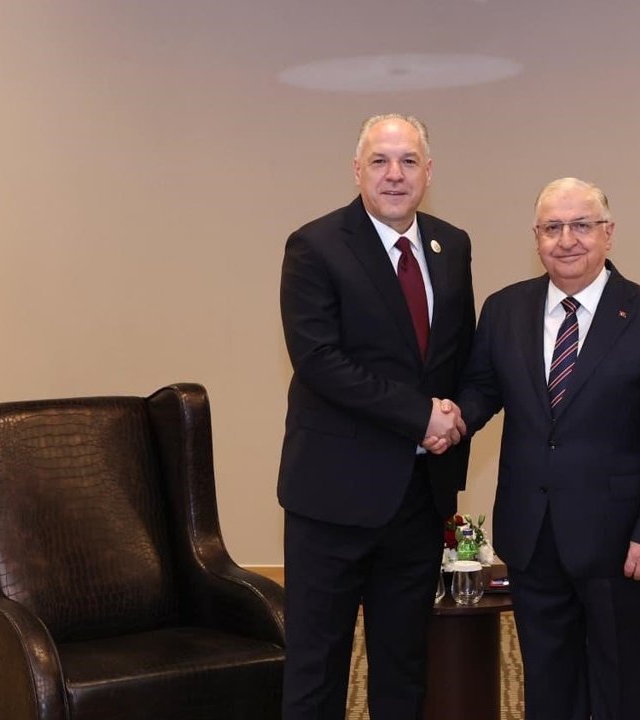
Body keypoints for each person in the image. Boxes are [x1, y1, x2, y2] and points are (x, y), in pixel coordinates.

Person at [456, 177, 640, 719]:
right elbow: (482, 391)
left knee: (619, 688)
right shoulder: (504, 310)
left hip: (620, 543)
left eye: (581, 225)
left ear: (608, 233)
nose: (567, 240)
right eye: (552, 228)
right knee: (546, 682)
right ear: (536, 238)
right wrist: (445, 420)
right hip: (531, 533)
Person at [277, 113, 475, 719]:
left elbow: (458, 355)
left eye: (408, 161)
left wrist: (455, 420)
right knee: (317, 672)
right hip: (333, 498)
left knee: (404, 668)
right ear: (356, 170)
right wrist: (421, 417)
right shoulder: (315, 246)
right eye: (380, 161)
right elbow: (320, 361)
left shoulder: (452, 246)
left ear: (428, 172)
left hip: (418, 498)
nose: (395, 174)